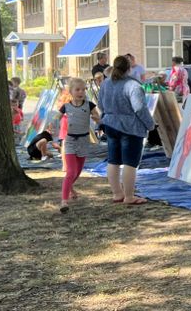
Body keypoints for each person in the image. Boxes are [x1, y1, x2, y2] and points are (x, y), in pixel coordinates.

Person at [99, 55, 155, 205]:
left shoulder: (106, 84)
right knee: (130, 163)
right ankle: (129, 196)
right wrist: (151, 125)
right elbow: (140, 109)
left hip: (110, 125)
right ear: (129, 68)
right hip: (130, 128)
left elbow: (101, 105)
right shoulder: (133, 85)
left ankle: (117, 193)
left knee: (113, 160)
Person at [58, 78, 100, 213]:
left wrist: (96, 118)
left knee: (77, 173)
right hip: (70, 141)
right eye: (77, 89)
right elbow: (56, 117)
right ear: (71, 91)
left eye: (83, 89)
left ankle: (70, 187)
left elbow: (97, 116)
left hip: (83, 141)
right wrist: (51, 124)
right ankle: (64, 201)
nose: (81, 92)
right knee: (70, 171)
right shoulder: (66, 106)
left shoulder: (90, 105)